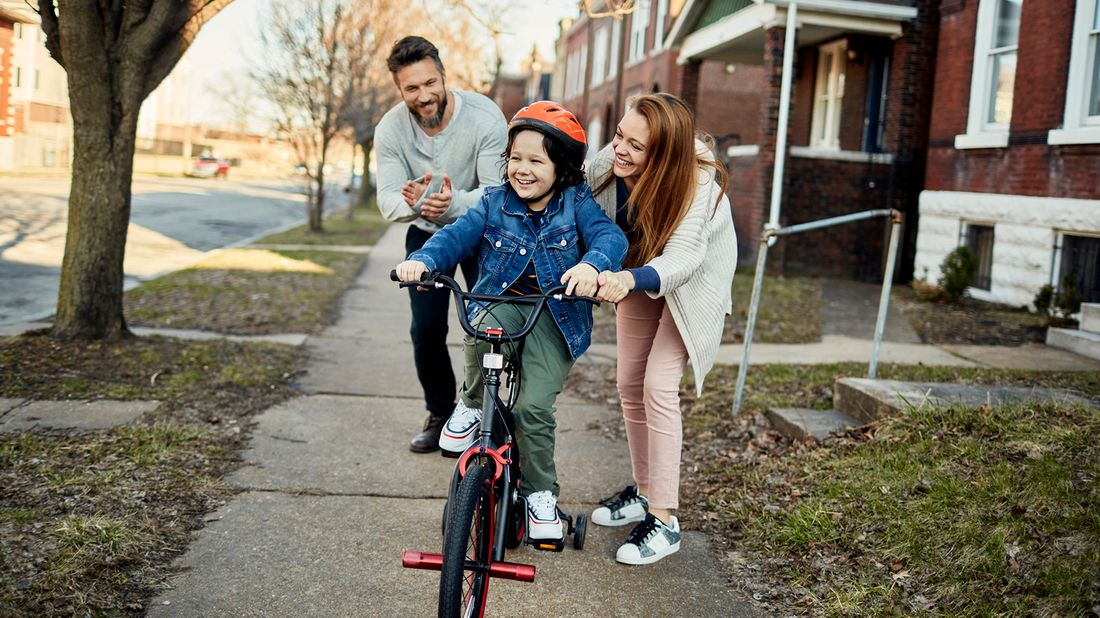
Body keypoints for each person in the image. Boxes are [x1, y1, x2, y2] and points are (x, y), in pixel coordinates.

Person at [395, 101, 627, 541]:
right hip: (501, 301)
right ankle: (468, 405)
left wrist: (594, 266)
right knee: (480, 329)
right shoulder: (493, 201)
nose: (522, 169)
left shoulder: (576, 203)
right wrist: (424, 260)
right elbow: (454, 236)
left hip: (553, 316)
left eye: (536, 160)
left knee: (532, 409)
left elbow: (609, 236)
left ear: (563, 168)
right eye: (515, 158)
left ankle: (541, 496)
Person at [587, 93, 737, 565]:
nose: (620, 151)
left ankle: (666, 520)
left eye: (636, 146)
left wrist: (625, 278)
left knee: (657, 384)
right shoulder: (611, 164)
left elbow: (685, 260)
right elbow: (572, 187)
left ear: (666, 155)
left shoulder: (698, 184)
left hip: (691, 283)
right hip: (635, 270)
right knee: (629, 381)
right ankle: (646, 491)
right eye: (618, 136)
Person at [375, 36, 508, 453]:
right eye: (411, 88)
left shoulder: (485, 117)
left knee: (489, 326)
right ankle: (440, 412)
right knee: (427, 328)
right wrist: (411, 202)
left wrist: (455, 203)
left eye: (430, 83)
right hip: (427, 236)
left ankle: (487, 417)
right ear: (400, 89)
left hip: (482, 233)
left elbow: (498, 192)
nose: (424, 95)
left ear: (444, 75)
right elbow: (387, 198)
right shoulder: (390, 129)